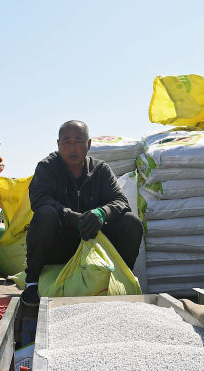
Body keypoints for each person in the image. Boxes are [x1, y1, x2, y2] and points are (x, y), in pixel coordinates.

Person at [20, 121, 143, 308]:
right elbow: (39, 199)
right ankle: (32, 283)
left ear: (88, 144)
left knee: (131, 222)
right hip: (59, 246)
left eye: (78, 141)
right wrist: (71, 217)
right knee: (45, 214)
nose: (72, 148)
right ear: (58, 144)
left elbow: (120, 201)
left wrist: (101, 213)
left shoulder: (100, 170)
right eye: (66, 142)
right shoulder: (47, 168)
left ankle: (121, 279)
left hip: (93, 243)